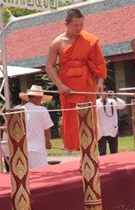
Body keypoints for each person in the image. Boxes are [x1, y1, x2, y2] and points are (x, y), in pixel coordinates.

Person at [45, 8, 106, 152]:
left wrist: (100, 82)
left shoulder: (90, 40)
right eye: (75, 25)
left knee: (89, 118)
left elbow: (99, 63)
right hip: (68, 86)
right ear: (66, 24)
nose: (79, 28)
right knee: (72, 120)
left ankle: (90, 153)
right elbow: (49, 66)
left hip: (86, 84)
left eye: (81, 25)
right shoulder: (57, 42)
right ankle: (79, 152)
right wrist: (60, 86)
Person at [20, 85, 54, 169]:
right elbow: (47, 130)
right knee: (41, 172)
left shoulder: (19, 110)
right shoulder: (42, 110)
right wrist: (48, 142)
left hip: (22, 149)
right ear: (36, 98)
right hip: (37, 149)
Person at [96, 90, 126, 155]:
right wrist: (102, 100)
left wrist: (114, 97)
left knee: (114, 151)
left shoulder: (112, 101)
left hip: (112, 129)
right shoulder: (96, 102)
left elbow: (123, 105)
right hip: (101, 131)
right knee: (102, 152)